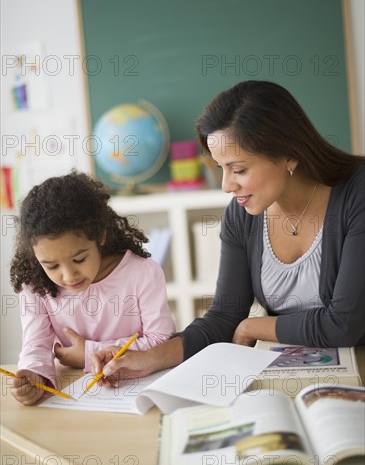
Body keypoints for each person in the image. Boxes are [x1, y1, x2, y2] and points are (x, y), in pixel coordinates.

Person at [91, 80, 365, 387]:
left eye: (239, 169)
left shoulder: (357, 196)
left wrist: (253, 327)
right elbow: (224, 316)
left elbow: (343, 325)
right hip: (294, 376)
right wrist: (148, 358)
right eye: (220, 167)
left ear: (289, 154)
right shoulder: (243, 214)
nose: (226, 185)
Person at [9, 171, 175, 405]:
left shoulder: (143, 274)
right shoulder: (36, 286)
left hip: (139, 389)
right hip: (76, 394)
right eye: (51, 265)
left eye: (79, 259)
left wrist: (88, 353)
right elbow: (36, 343)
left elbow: (161, 340)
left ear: (100, 235)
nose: (68, 276)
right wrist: (32, 375)